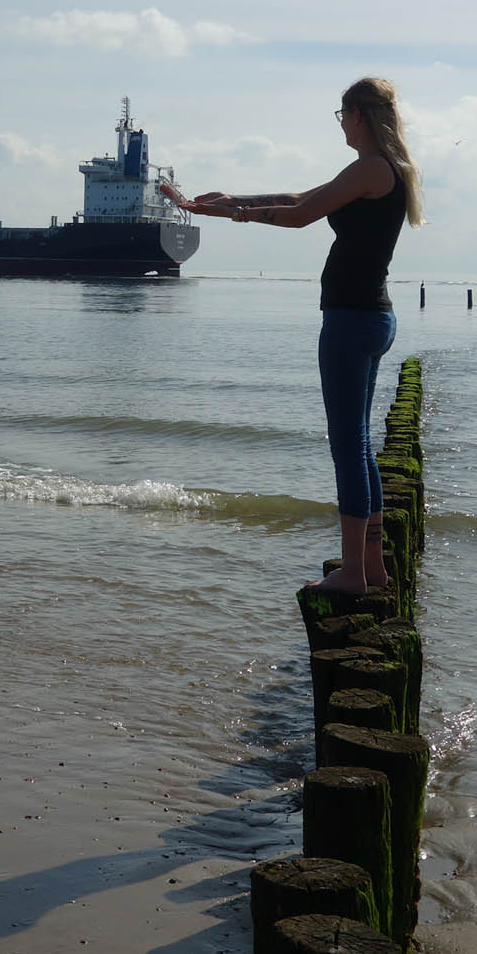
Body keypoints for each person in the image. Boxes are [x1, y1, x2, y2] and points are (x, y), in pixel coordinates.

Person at [166, 77, 423, 594]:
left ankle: (353, 574)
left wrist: (236, 214)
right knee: (360, 446)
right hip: (369, 318)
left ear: (358, 115)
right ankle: (373, 568)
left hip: (352, 320)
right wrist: (230, 201)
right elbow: (303, 197)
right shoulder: (381, 168)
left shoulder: (371, 168)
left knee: (348, 448)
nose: (341, 124)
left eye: (342, 115)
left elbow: (302, 215)